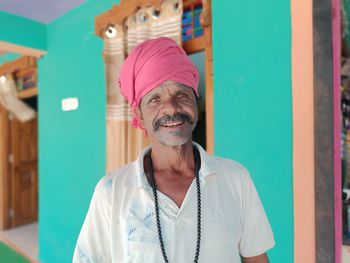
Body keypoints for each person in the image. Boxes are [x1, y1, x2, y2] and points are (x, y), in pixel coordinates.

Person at [73, 37, 275, 263]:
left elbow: (256, 258)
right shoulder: (112, 193)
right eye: (154, 99)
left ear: (195, 102)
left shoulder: (235, 178)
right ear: (139, 114)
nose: (171, 107)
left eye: (181, 95)